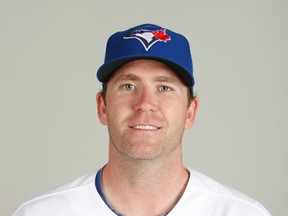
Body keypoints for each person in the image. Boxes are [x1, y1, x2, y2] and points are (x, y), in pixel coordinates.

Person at [13, 24, 272, 216]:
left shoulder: (241, 212)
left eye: (165, 88)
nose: (146, 104)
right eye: (128, 86)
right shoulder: (41, 212)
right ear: (102, 107)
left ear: (190, 112)